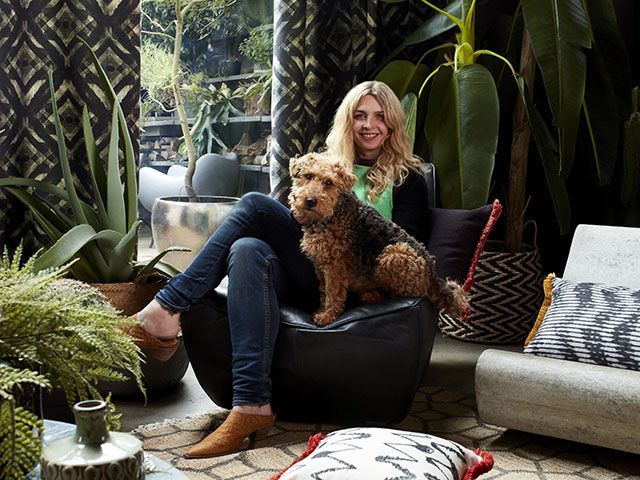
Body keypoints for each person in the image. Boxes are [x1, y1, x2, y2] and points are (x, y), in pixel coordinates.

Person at [132, 80, 429, 458]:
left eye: (380, 117)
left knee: (254, 206)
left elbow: (406, 248)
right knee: (247, 246)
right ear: (347, 121)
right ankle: (252, 404)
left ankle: (169, 307)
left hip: (354, 282)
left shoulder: (408, 177)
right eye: (360, 115)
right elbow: (286, 219)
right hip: (306, 271)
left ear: (393, 125)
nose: (369, 125)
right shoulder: (320, 164)